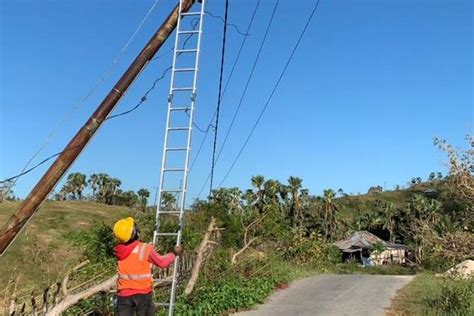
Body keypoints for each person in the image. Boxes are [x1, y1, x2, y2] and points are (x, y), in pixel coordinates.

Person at [113, 217, 182, 316]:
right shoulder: (145, 248)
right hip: (143, 295)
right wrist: (174, 254)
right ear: (135, 233)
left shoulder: (118, 251)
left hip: (124, 295)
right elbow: (162, 262)